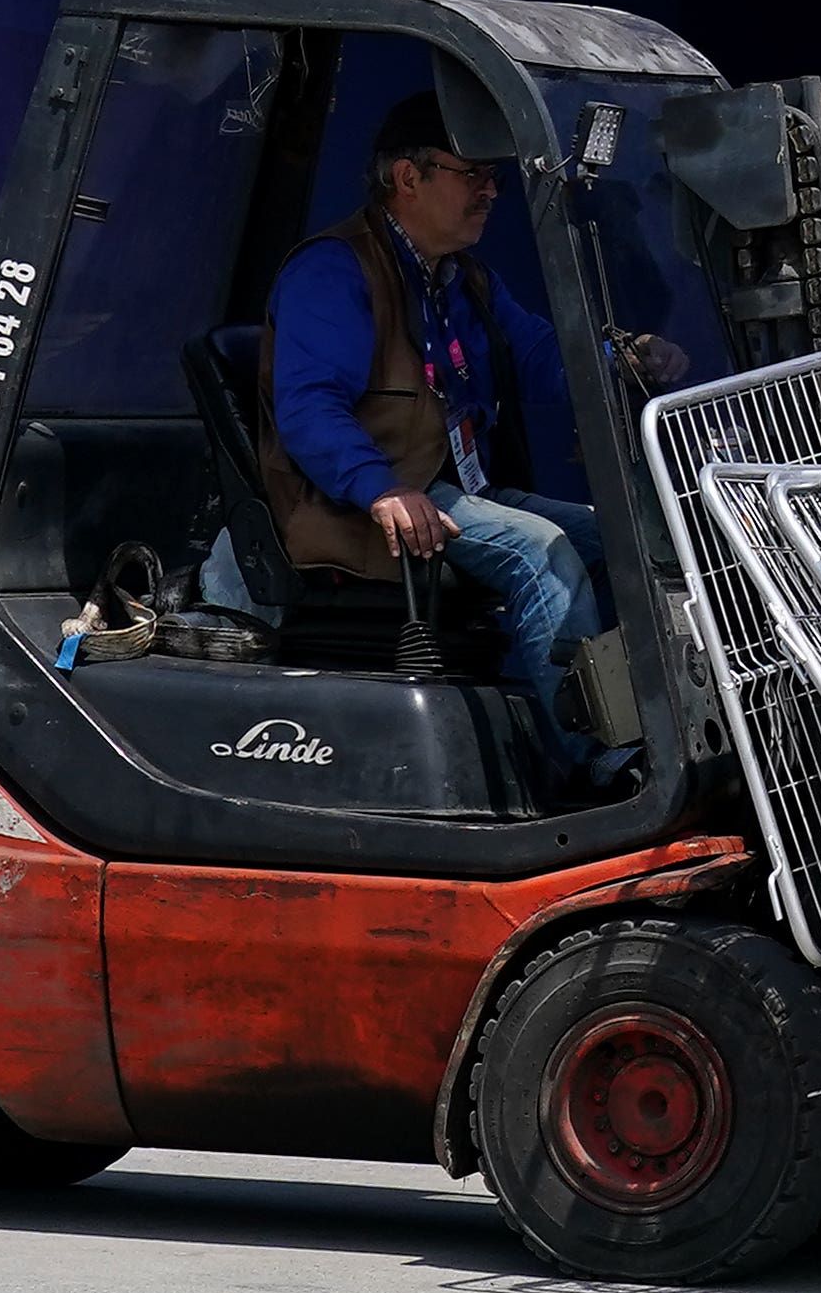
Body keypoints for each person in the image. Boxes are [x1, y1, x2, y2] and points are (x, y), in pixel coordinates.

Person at [264, 93, 652, 800]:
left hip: (450, 489)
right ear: (408, 178)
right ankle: (596, 765)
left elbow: (538, 354)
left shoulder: (460, 278)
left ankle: (605, 721)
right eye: (472, 173)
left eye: (493, 177)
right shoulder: (334, 271)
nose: (490, 190)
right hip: (365, 502)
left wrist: (623, 360)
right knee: (540, 552)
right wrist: (381, 488)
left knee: (620, 538)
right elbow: (309, 407)